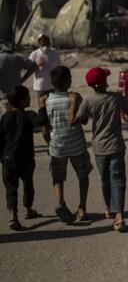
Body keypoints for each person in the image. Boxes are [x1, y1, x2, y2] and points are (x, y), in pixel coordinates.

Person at [73, 67, 128, 232]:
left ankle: (108, 207)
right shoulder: (116, 97)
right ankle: (119, 215)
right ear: (104, 82)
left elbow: (81, 120)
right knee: (118, 179)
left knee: (104, 179)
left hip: (99, 148)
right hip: (116, 146)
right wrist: (127, 116)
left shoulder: (88, 101)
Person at [39, 66, 91, 224]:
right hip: (77, 145)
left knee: (58, 177)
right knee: (83, 175)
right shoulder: (75, 97)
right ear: (68, 81)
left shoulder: (46, 101)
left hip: (57, 145)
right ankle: (82, 207)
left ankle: (61, 203)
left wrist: (50, 143)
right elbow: (85, 120)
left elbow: (44, 129)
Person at [1, 86, 39, 231]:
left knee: (11, 188)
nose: (30, 99)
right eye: (28, 97)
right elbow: (41, 122)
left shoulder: (5, 117)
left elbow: (0, 139)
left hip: (8, 159)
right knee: (28, 184)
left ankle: (12, 215)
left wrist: (2, 157)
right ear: (23, 101)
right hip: (26, 159)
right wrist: (42, 108)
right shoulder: (28, 115)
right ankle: (28, 209)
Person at [0, 42, 36, 107]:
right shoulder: (18, 57)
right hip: (18, 94)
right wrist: (23, 79)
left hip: (5, 95)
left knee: (8, 115)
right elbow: (33, 66)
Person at [28, 34, 61, 102]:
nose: (44, 45)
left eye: (46, 42)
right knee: (42, 107)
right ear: (39, 43)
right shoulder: (34, 54)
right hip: (40, 86)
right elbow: (29, 68)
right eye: (42, 43)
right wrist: (37, 64)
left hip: (52, 85)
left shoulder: (54, 52)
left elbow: (59, 67)